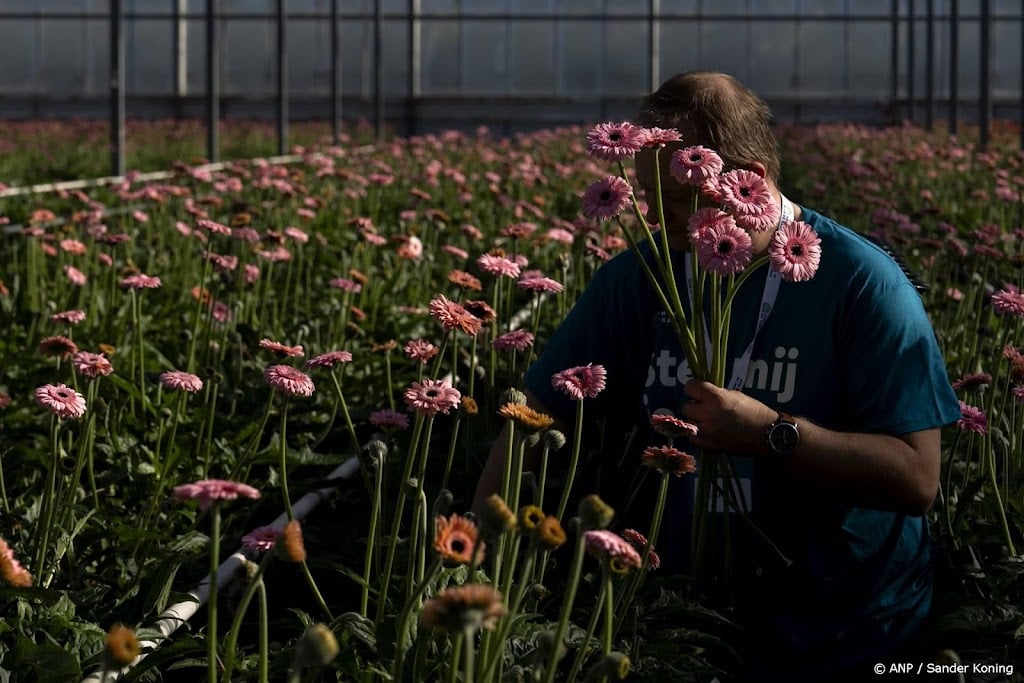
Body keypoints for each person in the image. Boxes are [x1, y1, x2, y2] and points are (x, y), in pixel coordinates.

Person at [473, 71, 961, 682]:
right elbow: (530, 420)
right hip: (685, 619)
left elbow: (918, 479)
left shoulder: (862, 284)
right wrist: (473, 564)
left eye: (677, 204)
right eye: (652, 203)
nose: (662, 223)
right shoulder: (641, 277)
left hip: (847, 632)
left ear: (747, 178)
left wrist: (771, 433)